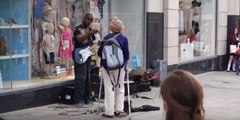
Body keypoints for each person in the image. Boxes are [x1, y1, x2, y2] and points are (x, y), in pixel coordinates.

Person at [97, 17, 129, 118]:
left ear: (111, 27)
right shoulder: (123, 39)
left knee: (108, 88)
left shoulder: (106, 38)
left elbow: (99, 53)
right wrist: (124, 63)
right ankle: (119, 110)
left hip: (106, 67)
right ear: (121, 27)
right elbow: (126, 55)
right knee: (120, 87)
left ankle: (109, 112)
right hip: (119, 67)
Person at [72, 13, 98, 107]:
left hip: (87, 55)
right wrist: (89, 33)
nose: (89, 22)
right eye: (88, 19)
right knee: (80, 78)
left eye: (91, 20)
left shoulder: (89, 29)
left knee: (87, 77)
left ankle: (86, 98)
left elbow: (93, 42)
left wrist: (96, 44)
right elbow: (79, 39)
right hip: (79, 54)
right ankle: (79, 100)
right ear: (84, 18)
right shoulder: (78, 29)